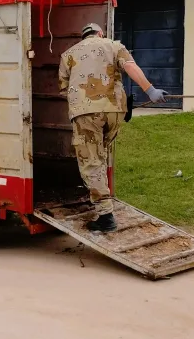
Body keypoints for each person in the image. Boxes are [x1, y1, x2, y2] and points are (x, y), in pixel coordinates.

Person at [58, 23, 168, 232]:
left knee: (92, 160)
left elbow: (63, 88)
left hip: (86, 112)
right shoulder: (114, 45)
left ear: (83, 37)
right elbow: (130, 67)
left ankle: (105, 215)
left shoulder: (68, 55)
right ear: (100, 33)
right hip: (115, 111)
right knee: (101, 155)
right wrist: (150, 90)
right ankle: (102, 197)